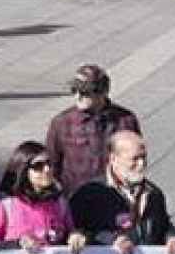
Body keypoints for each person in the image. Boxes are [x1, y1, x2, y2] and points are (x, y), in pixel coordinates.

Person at [68, 131, 175, 254]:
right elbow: (76, 233)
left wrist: (171, 238)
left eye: (143, 157)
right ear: (113, 159)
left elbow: (163, 226)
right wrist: (112, 240)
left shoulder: (153, 193)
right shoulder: (89, 194)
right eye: (134, 159)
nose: (141, 164)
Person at [45, 64, 143, 197]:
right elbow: (52, 165)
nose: (77, 96)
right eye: (74, 90)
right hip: (77, 200)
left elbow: (137, 159)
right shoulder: (62, 122)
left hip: (117, 198)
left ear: (102, 93)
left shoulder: (125, 120)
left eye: (84, 92)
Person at [0, 141, 73, 253]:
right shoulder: (3, 205)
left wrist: (75, 237)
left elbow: (68, 235)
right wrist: (17, 243)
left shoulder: (59, 203)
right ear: (22, 171)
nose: (47, 170)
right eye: (38, 166)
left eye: (49, 163)